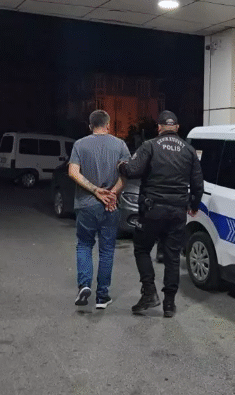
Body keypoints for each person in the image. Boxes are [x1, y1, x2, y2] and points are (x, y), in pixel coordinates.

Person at [118, 110, 203, 318]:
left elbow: (132, 171)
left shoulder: (150, 146)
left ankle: (149, 292)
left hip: (152, 211)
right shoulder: (189, 150)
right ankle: (169, 304)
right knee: (172, 257)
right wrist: (194, 205)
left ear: (159, 128)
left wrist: (121, 166)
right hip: (177, 212)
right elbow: (198, 184)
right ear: (177, 127)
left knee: (142, 249)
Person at [69, 110, 131, 309]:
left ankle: (84, 285)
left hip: (85, 205)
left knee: (84, 245)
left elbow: (73, 172)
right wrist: (111, 194)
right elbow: (126, 174)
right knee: (106, 251)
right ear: (108, 125)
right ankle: (102, 296)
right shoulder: (120, 145)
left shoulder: (80, 144)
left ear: (90, 126)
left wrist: (95, 190)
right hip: (110, 206)